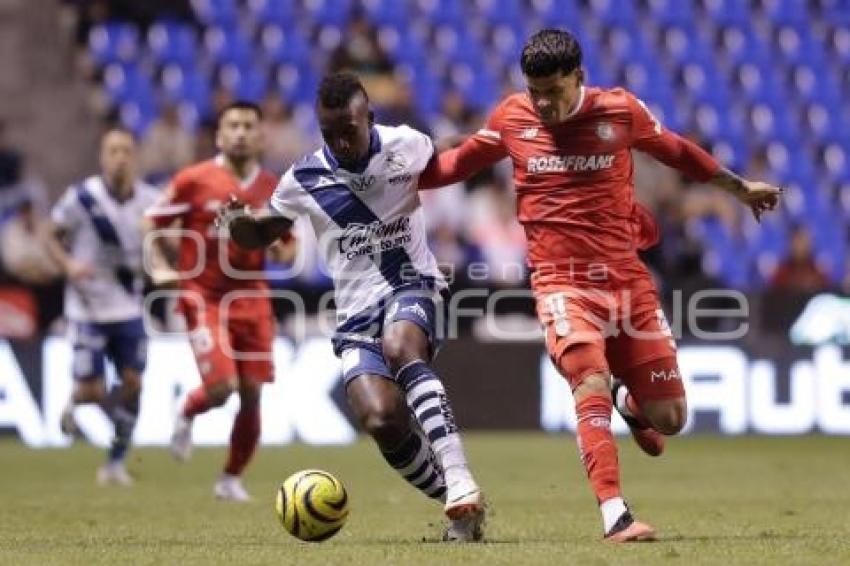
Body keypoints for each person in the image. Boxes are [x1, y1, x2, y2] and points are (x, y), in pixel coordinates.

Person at [418, 29, 783, 542]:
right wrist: (389, 176)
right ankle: (616, 513)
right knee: (586, 381)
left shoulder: (620, 112)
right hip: (560, 283)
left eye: (553, 90)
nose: (542, 102)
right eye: (534, 90)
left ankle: (630, 404)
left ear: (579, 77)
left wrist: (740, 188)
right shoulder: (511, 117)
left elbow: (678, 151)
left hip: (628, 281)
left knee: (671, 419)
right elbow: (456, 164)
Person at [218, 72, 485, 541]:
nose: (341, 142)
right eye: (329, 133)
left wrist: (502, 139)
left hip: (412, 283)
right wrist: (238, 224)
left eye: (350, 130)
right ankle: (460, 509)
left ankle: (461, 478)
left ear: (370, 120)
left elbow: (452, 146)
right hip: (355, 313)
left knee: (403, 347)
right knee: (379, 419)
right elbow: (262, 232)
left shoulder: (404, 144)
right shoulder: (303, 177)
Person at [144, 101, 295, 501]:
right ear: (219, 135)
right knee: (223, 387)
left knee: (251, 393)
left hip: (253, 299)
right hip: (204, 296)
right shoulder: (195, 179)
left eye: (249, 125)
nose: (241, 132)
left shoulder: (272, 187)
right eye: (233, 125)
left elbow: (288, 252)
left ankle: (230, 478)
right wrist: (160, 264)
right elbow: (151, 220)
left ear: (262, 135)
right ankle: (187, 411)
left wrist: (270, 240)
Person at [44, 127, 159, 486]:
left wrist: (157, 257)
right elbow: (49, 234)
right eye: (113, 150)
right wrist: (68, 266)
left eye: (126, 150)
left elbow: (164, 248)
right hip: (87, 309)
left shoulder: (150, 200)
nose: (120, 157)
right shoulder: (81, 198)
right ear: (102, 156)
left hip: (128, 307)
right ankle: (74, 401)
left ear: (134, 155)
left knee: (134, 385)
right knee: (93, 391)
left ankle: (115, 462)